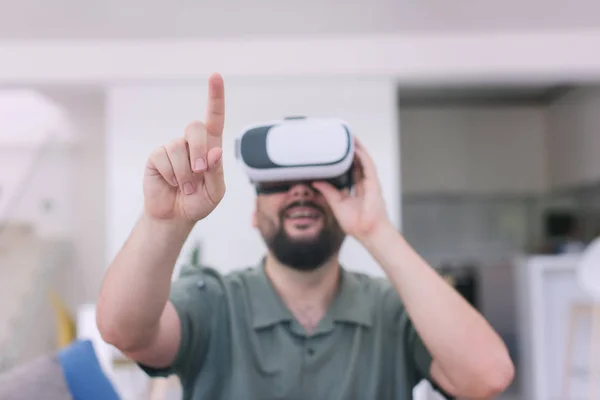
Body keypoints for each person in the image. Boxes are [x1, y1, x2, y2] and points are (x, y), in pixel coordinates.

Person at [96, 73, 514, 400]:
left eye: (318, 180)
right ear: (254, 215)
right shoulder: (214, 301)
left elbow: (488, 376)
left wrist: (377, 230)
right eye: (278, 183)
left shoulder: (392, 309)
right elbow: (123, 332)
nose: (299, 190)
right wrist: (166, 221)